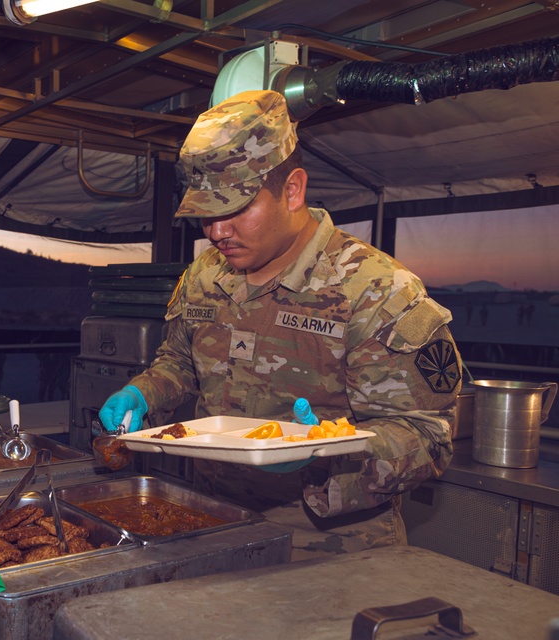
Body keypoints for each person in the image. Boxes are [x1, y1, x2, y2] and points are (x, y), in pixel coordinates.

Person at [99, 90, 461, 561]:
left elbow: (428, 435)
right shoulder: (205, 275)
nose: (216, 232)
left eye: (234, 209)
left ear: (292, 189)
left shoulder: (376, 291)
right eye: (206, 214)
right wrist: (145, 392)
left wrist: (326, 454)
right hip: (211, 523)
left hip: (331, 550)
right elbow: (181, 363)